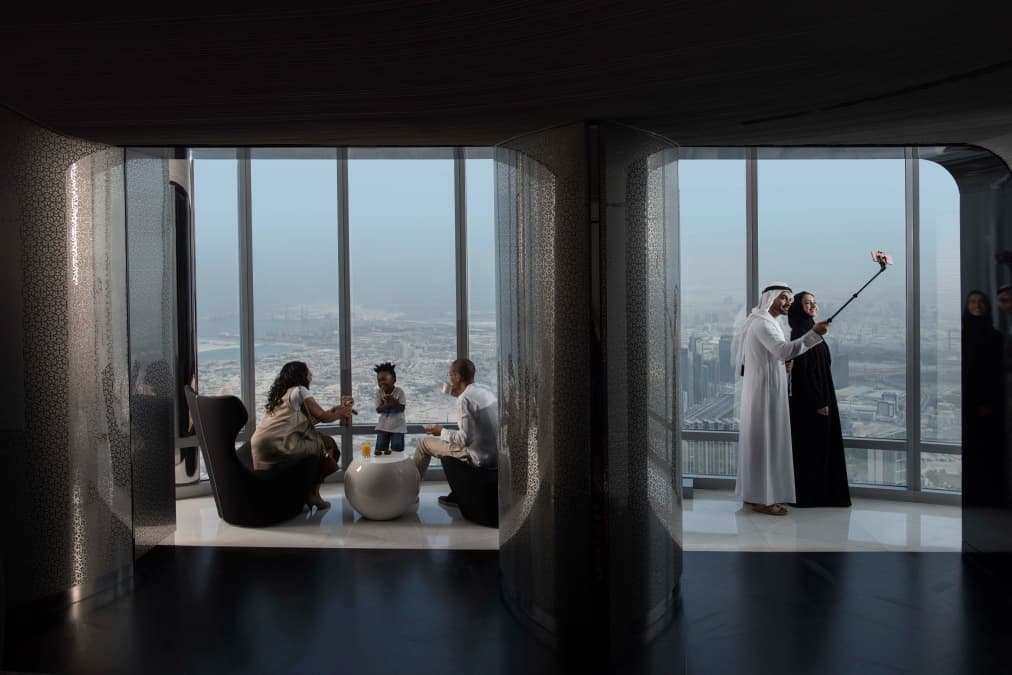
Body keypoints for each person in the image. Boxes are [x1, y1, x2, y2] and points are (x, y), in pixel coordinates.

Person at [736, 283, 830, 515]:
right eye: (784, 298)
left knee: (760, 444)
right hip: (765, 393)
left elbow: (773, 356)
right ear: (771, 299)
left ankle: (755, 495)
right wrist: (814, 334)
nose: (789, 302)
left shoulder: (765, 322)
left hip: (766, 389)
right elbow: (782, 351)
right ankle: (764, 500)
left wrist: (783, 365)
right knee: (766, 444)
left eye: (789, 299)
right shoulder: (764, 324)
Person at [251, 361, 354, 510]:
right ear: (302, 376)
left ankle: (310, 493)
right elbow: (323, 417)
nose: (311, 376)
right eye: (308, 373)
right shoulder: (300, 390)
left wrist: (332, 412)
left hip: (260, 448)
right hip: (279, 445)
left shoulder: (281, 395)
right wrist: (341, 413)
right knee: (328, 444)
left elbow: (309, 420)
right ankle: (313, 493)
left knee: (320, 442)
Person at [786, 292, 851, 507]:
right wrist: (818, 401)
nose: (813, 305)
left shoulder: (810, 331)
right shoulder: (800, 333)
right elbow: (804, 372)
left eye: (814, 302)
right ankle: (810, 495)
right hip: (811, 400)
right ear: (798, 308)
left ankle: (822, 493)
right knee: (813, 447)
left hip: (821, 393)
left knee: (821, 445)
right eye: (807, 303)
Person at [415, 358, 498, 506]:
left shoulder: (464, 399)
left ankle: (410, 493)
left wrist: (440, 431)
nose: (450, 379)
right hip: (495, 456)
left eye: (450, 375)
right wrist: (459, 395)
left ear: (458, 377)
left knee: (423, 443)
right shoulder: (484, 390)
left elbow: (463, 440)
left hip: (477, 457)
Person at [962, 290, 1005, 505]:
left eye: (980, 302)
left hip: (985, 400)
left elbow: (994, 373)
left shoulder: (995, 336)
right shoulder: (962, 334)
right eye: (972, 302)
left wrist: (988, 402)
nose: (976, 305)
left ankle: (987, 496)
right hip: (966, 399)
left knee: (987, 448)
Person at [373, 361, 406, 455]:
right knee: (380, 451)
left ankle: (397, 469)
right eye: (379, 380)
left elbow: (402, 408)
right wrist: (387, 405)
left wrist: (394, 401)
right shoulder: (379, 393)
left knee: (397, 452)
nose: (381, 382)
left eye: (384, 379)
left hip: (398, 428)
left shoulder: (399, 392)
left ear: (394, 380)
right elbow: (378, 410)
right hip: (383, 427)